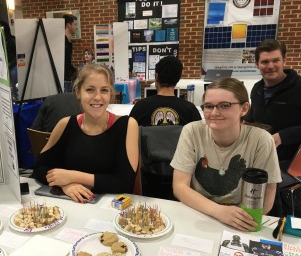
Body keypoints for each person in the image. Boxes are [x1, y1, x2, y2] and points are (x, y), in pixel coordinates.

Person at [171, 78, 281, 231]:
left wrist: (241, 219)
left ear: (244, 109)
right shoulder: (192, 131)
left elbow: (267, 196)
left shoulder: (261, 140)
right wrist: (220, 211)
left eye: (224, 105)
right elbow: (179, 186)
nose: (215, 112)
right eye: (209, 106)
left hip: (241, 219)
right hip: (200, 213)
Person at [32, 64, 139, 203]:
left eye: (104, 90)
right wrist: (65, 184)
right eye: (90, 90)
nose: (97, 97)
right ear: (78, 92)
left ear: (111, 93)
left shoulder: (127, 125)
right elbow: (39, 167)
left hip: (110, 211)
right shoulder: (65, 125)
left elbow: (124, 182)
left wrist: (73, 177)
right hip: (70, 207)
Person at [245, 39, 301, 216]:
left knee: (278, 211)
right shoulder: (257, 89)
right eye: (265, 62)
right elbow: (252, 118)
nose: (270, 66)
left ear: (284, 60)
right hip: (260, 158)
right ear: (257, 64)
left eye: (275, 60)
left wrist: (282, 136)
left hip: (290, 163)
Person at [130, 56, 201, 126]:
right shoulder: (190, 110)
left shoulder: (140, 107)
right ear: (178, 79)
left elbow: (128, 133)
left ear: (156, 76)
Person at [0, 20, 17, 99]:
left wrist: (10, 63)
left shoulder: (12, 40)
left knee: (13, 76)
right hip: (0, 66)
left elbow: (17, 55)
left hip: (12, 64)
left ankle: (15, 96)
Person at [63, 14, 78, 92]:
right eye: (75, 24)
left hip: (68, 79)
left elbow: (67, 62)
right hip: (63, 80)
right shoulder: (62, 42)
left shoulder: (68, 42)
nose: (76, 27)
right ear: (68, 25)